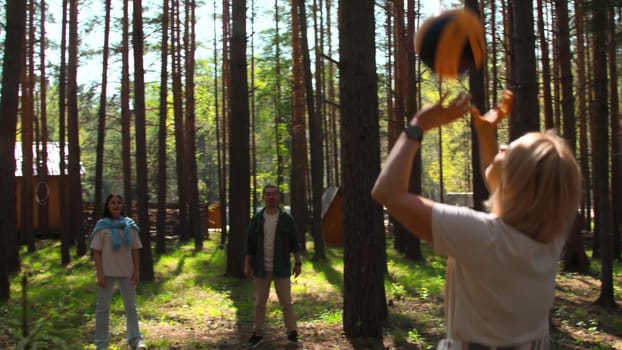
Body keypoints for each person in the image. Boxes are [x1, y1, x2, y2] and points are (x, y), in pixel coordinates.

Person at [371, 90, 582, 350]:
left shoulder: (480, 236)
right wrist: (484, 133)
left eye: (509, 151)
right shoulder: (549, 237)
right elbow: (500, 186)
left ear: (516, 183)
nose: (502, 146)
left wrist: (418, 125)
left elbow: (387, 192)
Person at [244, 184, 302, 348]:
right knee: (259, 303)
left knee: (286, 303)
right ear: (264, 197)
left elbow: (294, 244)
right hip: (261, 269)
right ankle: (258, 334)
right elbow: (249, 244)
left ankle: (292, 333)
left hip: (281, 268)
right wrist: (247, 264)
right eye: (268, 194)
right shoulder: (257, 219)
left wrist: (298, 263)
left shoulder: (286, 219)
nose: (271, 197)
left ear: (278, 197)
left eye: (274, 194)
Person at [91, 193, 147, 350]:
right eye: (112, 203)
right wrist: (99, 273)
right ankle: (101, 343)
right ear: (108, 206)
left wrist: (136, 271)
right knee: (103, 308)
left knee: (131, 307)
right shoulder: (102, 226)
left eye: (119, 202)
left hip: (127, 271)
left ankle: (135, 339)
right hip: (106, 272)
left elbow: (135, 250)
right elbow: (96, 251)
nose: (116, 205)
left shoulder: (129, 225)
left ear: (122, 206)